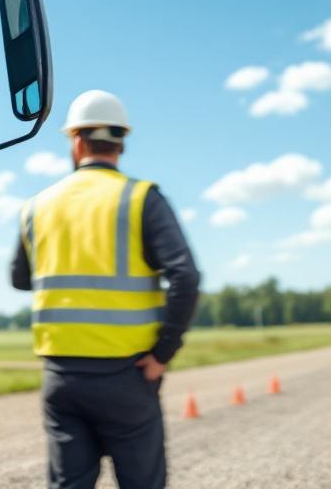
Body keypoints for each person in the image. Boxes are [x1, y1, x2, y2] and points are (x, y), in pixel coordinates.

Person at [12, 90, 201, 489]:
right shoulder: (140, 198)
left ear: (76, 141)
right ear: (120, 142)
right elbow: (185, 276)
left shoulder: (37, 206)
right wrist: (163, 354)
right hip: (127, 375)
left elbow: (19, 278)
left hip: (62, 377)